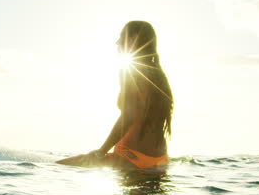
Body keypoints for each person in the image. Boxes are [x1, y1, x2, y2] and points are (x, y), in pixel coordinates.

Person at [57, 20, 173, 171]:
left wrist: (101, 152)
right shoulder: (159, 76)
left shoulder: (131, 69)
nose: (117, 42)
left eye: (121, 36)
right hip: (159, 161)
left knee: (57, 167)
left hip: (130, 157)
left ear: (133, 38)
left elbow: (129, 115)